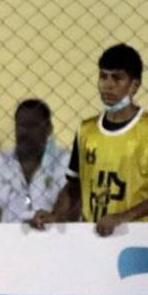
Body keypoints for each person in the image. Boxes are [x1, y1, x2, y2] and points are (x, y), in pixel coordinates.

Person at [32, 43, 148, 236]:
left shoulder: (145, 130)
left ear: (134, 85)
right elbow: (74, 185)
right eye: (103, 76)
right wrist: (56, 215)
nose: (107, 85)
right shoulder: (87, 130)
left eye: (117, 78)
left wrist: (122, 218)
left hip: (137, 237)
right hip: (93, 237)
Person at [0, 99, 70, 223]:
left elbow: (74, 206)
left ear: (49, 129)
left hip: (55, 232)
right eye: (21, 125)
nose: (25, 132)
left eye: (33, 125)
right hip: (9, 234)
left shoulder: (65, 161)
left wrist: (55, 218)